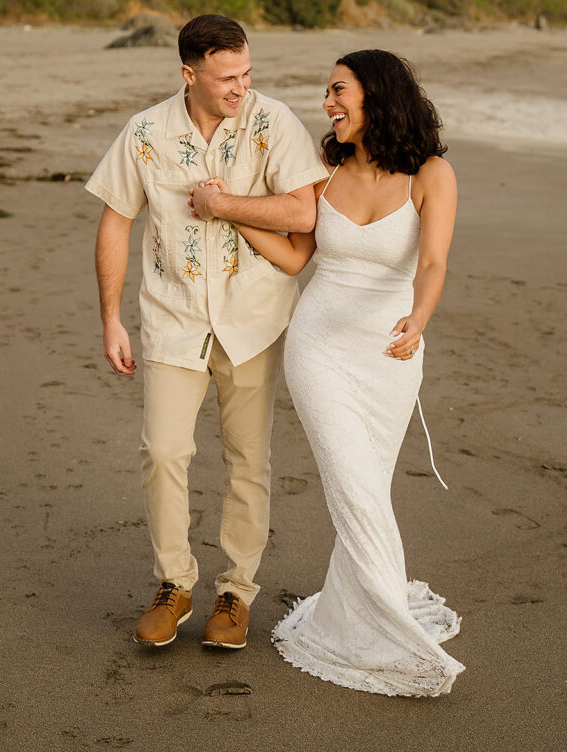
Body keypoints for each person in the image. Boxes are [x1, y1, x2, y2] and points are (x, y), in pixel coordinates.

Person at [198, 49, 465, 695]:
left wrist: (420, 317)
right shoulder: (327, 169)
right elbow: (295, 259)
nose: (328, 104)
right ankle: (388, 627)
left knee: (368, 486)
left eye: (338, 91)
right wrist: (226, 208)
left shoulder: (431, 173)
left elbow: (430, 264)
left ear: (376, 94)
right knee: (353, 486)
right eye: (327, 93)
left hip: (390, 353)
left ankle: (358, 612)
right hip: (318, 349)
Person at [85, 14, 327, 650]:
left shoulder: (273, 122)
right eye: (226, 77)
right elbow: (116, 222)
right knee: (163, 450)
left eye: (246, 72)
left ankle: (235, 593)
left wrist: (225, 206)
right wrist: (111, 317)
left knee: (249, 459)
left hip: (255, 320)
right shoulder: (144, 133)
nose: (239, 87)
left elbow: (306, 211)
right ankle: (174, 583)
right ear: (188, 74)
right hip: (173, 316)